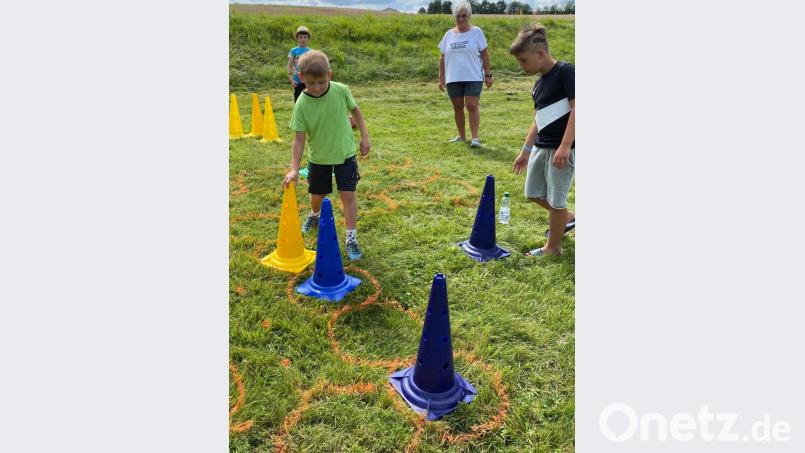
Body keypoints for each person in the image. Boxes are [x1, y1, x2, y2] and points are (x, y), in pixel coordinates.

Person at [283, 50, 371, 260]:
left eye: (321, 82)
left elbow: (356, 111)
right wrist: (294, 168)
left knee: (348, 195)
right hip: (319, 159)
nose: (317, 87)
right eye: (311, 83)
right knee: (317, 197)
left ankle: (351, 238)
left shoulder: (341, 90)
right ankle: (314, 215)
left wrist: (365, 137)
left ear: (329, 76)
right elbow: (299, 139)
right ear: (302, 78)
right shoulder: (302, 104)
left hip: (345, 155)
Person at [510, 24, 576, 257]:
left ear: (540, 54)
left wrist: (565, 146)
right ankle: (568, 218)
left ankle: (553, 247)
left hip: (560, 150)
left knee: (557, 200)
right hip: (541, 147)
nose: (522, 66)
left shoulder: (566, 72)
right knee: (533, 193)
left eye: (524, 61)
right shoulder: (538, 83)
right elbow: (538, 120)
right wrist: (525, 150)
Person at [437, 0, 493, 148]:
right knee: (457, 107)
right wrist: (441, 77)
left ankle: (475, 138)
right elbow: (442, 57)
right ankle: (461, 136)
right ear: (454, 17)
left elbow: (485, 55)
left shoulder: (477, 32)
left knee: (472, 105)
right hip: (453, 77)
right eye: (458, 16)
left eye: (464, 16)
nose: (461, 19)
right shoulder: (448, 34)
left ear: (469, 16)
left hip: (473, 77)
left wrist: (488, 75)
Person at [287, 26, 312, 102]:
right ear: (297, 38)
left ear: (308, 39)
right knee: (298, 98)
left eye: (305, 37)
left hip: (308, 79)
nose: (303, 39)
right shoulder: (294, 51)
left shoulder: (311, 51)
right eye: (300, 37)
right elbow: (289, 65)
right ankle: (297, 112)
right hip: (297, 80)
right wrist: (291, 79)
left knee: (309, 97)